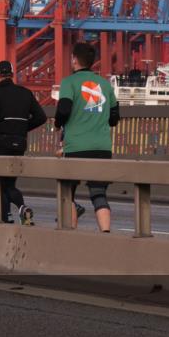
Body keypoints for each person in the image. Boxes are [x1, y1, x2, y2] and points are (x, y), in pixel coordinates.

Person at [54, 42, 120, 232]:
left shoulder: (69, 82)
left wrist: (58, 124)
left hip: (76, 147)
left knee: (68, 193)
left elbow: (63, 109)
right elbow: (114, 118)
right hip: (102, 148)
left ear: (74, 59)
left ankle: (71, 236)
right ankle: (106, 235)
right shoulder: (105, 85)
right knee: (98, 194)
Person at [0, 61, 47, 225]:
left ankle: (5, 216)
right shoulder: (25, 92)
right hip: (19, 143)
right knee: (9, 183)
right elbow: (41, 117)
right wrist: (22, 128)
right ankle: (22, 208)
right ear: (11, 74)